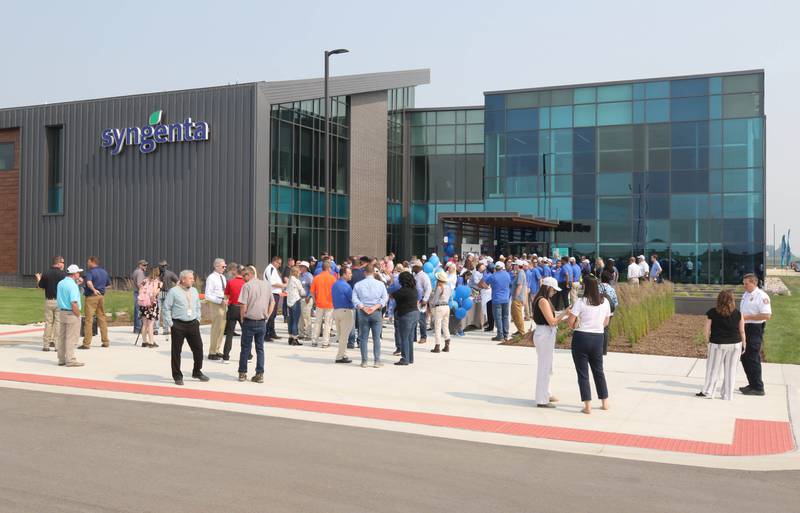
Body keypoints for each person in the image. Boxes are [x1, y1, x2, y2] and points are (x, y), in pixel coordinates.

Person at [567, 275, 611, 414]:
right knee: (598, 371)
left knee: (582, 373)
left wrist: (574, 323)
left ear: (585, 286)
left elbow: (571, 323)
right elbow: (606, 323)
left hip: (581, 337)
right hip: (598, 337)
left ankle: (588, 406)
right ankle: (605, 402)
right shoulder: (605, 302)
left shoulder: (581, 302)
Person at [697, 290, 745, 400]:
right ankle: (727, 395)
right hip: (735, 345)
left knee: (713, 369)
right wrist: (744, 343)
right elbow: (742, 331)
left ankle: (708, 391)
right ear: (732, 300)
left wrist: (706, 341)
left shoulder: (712, 312)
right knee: (731, 371)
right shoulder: (738, 313)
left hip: (717, 344)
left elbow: (706, 329)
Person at [163, 270, 209, 386]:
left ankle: (197, 371)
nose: (193, 280)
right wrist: (171, 323)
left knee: (198, 349)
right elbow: (166, 308)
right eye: (190, 278)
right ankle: (177, 375)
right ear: (183, 279)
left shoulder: (194, 291)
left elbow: (198, 306)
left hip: (193, 324)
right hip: (178, 325)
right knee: (176, 352)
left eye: (192, 278)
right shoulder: (173, 292)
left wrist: (198, 319)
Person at [532, 277, 570, 408]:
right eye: (553, 290)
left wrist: (563, 316)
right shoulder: (543, 301)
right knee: (544, 367)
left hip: (546, 333)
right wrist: (565, 313)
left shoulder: (544, 299)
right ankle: (541, 399)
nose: (554, 293)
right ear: (548, 288)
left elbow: (552, 320)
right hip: (544, 334)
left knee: (548, 366)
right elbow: (552, 321)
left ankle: (546, 393)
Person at [237, 266, 273, 383]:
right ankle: (259, 374)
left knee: (246, 348)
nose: (243, 278)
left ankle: (242, 373)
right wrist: (268, 314)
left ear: (249, 275)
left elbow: (243, 304)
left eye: (244, 276)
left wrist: (242, 317)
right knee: (260, 348)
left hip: (250, 320)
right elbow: (272, 301)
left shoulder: (247, 286)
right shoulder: (266, 285)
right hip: (262, 320)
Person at [739, 273, 772, 396]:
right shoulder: (746, 294)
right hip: (745, 327)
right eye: (744, 283)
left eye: (746, 284)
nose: (744, 286)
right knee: (745, 357)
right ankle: (752, 384)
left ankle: (758, 387)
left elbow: (767, 315)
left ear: (754, 283)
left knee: (752, 357)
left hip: (754, 328)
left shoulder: (761, 296)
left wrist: (746, 317)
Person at [352, 264, 388, 367]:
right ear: (373, 272)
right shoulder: (380, 284)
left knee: (363, 338)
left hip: (363, 312)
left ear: (364, 272)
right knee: (376, 338)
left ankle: (364, 361)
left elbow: (354, 298)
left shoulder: (358, 284)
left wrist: (363, 307)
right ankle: (377, 361)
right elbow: (384, 298)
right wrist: (375, 307)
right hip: (376, 312)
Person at [56, 264, 86, 367]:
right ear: (74, 274)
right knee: (71, 338)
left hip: (62, 312)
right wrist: (78, 315)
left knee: (62, 337)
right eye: (78, 272)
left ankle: (61, 359)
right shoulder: (72, 286)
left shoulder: (61, 283)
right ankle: (70, 360)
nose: (79, 274)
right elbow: (74, 302)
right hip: (71, 313)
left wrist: (77, 284)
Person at [78, 256, 111, 349]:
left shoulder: (90, 272)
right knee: (102, 318)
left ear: (92, 262)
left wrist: (94, 289)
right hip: (101, 297)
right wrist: (101, 290)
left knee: (89, 320)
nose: (87, 263)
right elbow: (108, 285)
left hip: (91, 297)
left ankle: (86, 343)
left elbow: (88, 282)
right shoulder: (104, 272)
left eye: (88, 262)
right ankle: (105, 341)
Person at [35, 255, 65, 351]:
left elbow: (40, 286)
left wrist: (38, 278)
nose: (63, 264)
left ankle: (46, 345)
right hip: (59, 301)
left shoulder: (46, 273)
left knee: (48, 323)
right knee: (58, 323)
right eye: (63, 262)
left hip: (48, 300)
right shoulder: (63, 274)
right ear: (58, 263)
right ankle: (57, 345)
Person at [392, 271, 418, 365]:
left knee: (404, 337)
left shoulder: (403, 290)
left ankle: (405, 359)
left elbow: (392, 295)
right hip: (415, 313)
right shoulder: (414, 289)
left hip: (406, 314)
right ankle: (410, 358)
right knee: (410, 338)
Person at [482, 261, 512, 342]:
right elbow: (509, 284)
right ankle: (506, 335)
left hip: (496, 299)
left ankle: (500, 335)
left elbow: (484, 284)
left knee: (498, 318)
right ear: (503, 268)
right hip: (506, 299)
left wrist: (490, 287)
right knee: (505, 317)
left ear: (495, 268)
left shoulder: (493, 276)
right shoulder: (507, 274)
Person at [205, 258, 228, 360]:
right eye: (223, 266)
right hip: (216, 303)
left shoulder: (223, 277)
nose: (225, 268)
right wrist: (219, 301)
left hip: (224, 303)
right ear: (216, 266)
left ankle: (217, 349)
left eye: (225, 266)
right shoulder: (211, 278)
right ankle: (212, 351)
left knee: (222, 328)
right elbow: (207, 295)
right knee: (216, 327)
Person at [310, 259, 337, 348]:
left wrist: (314, 300)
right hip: (330, 304)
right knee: (328, 323)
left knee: (317, 322)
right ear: (328, 268)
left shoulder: (317, 278)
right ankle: (325, 342)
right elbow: (335, 292)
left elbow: (312, 292)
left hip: (319, 303)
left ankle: (314, 340)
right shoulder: (333, 278)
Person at [331, 266, 355, 363]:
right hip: (346, 311)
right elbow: (352, 298)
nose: (351, 275)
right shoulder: (346, 286)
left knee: (341, 335)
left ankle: (343, 354)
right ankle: (339, 356)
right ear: (344, 274)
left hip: (336, 311)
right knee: (344, 336)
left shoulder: (335, 284)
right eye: (349, 273)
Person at [223, 266, 247, 358]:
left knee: (229, 333)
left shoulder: (230, 282)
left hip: (232, 308)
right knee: (245, 333)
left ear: (236, 272)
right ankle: (247, 354)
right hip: (242, 308)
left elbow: (226, 295)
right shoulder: (245, 283)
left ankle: (226, 355)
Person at [136, 268, 162, 348]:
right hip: (151, 304)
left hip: (143, 305)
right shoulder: (158, 283)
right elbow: (155, 293)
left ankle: (144, 342)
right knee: (151, 324)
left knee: (144, 324)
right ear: (158, 274)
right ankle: (151, 342)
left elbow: (140, 291)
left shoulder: (144, 281)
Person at [429, 270, 452, 353]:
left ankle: (437, 346)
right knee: (445, 326)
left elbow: (435, 299)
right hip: (447, 306)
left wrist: (431, 305)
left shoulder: (439, 287)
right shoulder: (448, 287)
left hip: (439, 307)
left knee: (437, 327)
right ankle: (447, 345)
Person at [263, 256, 285, 341]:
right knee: (271, 314)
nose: (279, 265)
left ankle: (271, 332)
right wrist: (283, 285)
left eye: (280, 263)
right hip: (271, 293)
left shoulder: (273, 269)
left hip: (275, 293)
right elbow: (272, 283)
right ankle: (266, 334)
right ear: (274, 261)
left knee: (273, 314)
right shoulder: (270, 269)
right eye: (278, 263)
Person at [284, 265, 306, 346]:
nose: (300, 272)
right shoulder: (297, 281)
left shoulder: (289, 280)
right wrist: (305, 291)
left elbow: (286, 290)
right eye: (299, 271)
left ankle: (290, 338)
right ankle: (295, 338)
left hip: (289, 302)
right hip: (296, 301)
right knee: (295, 321)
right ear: (296, 272)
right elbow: (302, 292)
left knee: (291, 320)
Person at [599, 271, 618, 356]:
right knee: (606, 330)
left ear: (601, 278)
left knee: (598, 329)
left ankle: (597, 349)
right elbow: (615, 302)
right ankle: (604, 350)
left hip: (599, 311)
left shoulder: (597, 287)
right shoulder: (612, 289)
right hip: (609, 312)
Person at [156, 260, 178, 335]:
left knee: (158, 311)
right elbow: (177, 281)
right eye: (163, 266)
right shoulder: (170, 273)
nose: (164, 267)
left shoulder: (157, 274)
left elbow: (177, 281)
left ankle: (157, 329)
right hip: (165, 293)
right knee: (165, 311)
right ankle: (164, 329)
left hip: (160, 293)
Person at [412, 262, 432, 345]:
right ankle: (413, 337)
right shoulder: (414, 275)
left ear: (418, 267)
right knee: (413, 319)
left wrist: (425, 299)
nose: (412, 268)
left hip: (421, 300)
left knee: (421, 319)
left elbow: (428, 288)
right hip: (414, 299)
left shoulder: (424, 276)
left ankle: (423, 337)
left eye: (414, 267)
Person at [297, 261, 314, 341]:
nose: (300, 268)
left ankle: (308, 334)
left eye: (302, 266)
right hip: (299, 298)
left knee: (306, 317)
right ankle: (301, 334)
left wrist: (309, 296)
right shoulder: (299, 276)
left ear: (306, 268)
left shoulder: (309, 276)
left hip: (306, 299)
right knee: (300, 317)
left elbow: (312, 288)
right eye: (300, 266)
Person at [510, 260, 528, 336]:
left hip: (518, 298)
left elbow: (519, 286)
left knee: (517, 315)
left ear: (518, 265)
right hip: (519, 297)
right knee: (515, 315)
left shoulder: (521, 273)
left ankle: (521, 332)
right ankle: (519, 330)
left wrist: (515, 296)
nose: (513, 266)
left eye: (514, 265)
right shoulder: (520, 273)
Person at [130, 259, 148, 333]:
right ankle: (138, 328)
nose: (146, 266)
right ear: (140, 265)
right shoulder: (140, 272)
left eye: (146, 265)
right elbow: (139, 284)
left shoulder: (136, 271)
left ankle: (136, 328)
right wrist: (144, 292)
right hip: (139, 293)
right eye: (144, 265)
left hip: (136, 292)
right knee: (139, 311)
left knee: (137, 310)